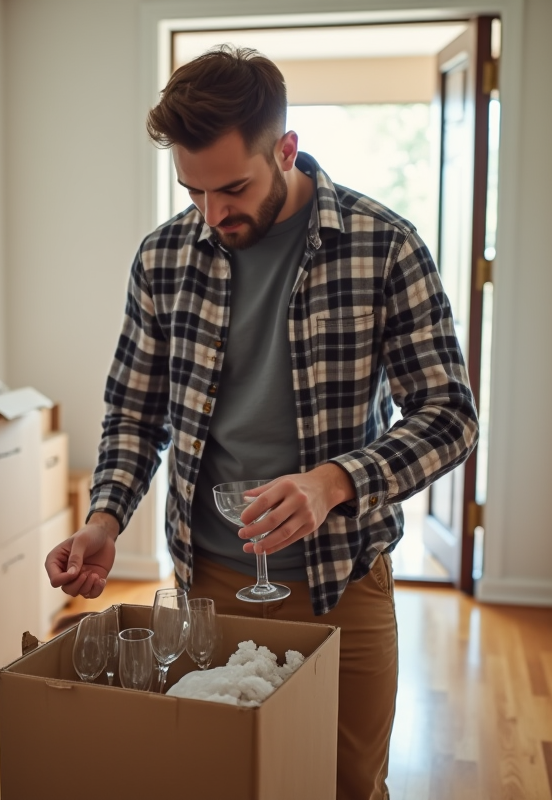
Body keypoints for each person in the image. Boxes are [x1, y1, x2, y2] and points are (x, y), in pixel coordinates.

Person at [44, 45, 478, 800]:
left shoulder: (385, 246)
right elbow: (134, 410)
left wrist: (336, 481)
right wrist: (106, 519)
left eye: (233, 188)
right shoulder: (163, 258)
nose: (213, 215)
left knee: (344, 787)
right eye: (193, 191)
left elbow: (450, 418)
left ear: (286, 149)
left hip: (342, 581)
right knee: (220, 781)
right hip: (206, 584)